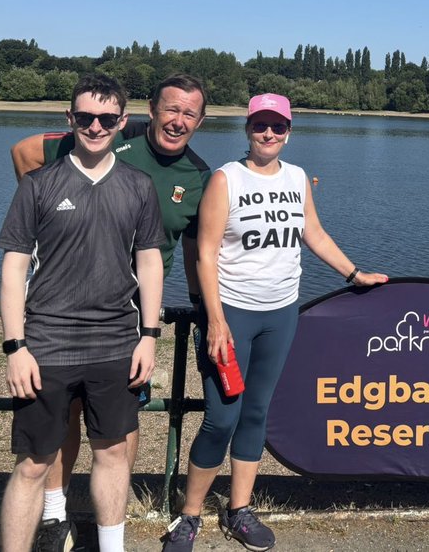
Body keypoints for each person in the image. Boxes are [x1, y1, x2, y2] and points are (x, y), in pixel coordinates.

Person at [162, 93, 388, 552]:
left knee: (257, 414)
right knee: (220, 419)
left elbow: (314, 233)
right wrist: (217, 320)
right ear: (247, 128)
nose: (269, 134)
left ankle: (240, 510)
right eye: (260, 125)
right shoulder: (226, 179)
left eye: (278, 127)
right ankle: (189, 516)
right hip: (233, 314)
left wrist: (353, 273)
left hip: (281, 313)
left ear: (289, 131)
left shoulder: (297, 177)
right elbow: (205, 253)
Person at [11, 73, 211, 552]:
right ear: (148, 111)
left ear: (200, 121)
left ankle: (108, 535)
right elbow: (24, 152)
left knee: (118, 436)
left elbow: (190, 251)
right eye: (170, 109)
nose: (177, 120)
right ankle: (56, 515)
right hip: (62, 316)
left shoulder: (199, 175)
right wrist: (47, 219)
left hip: (130, 320)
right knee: (63, 422)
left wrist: (193, 311)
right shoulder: (111, 137)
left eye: (189, 113)